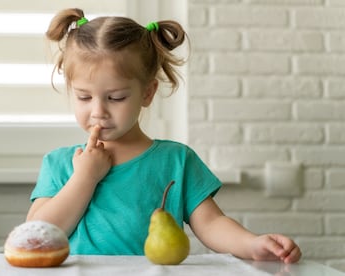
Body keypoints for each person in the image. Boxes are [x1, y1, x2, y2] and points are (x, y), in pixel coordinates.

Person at [26, 8, 302, 264]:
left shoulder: (177, 160)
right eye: (84, 97)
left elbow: (211, 224)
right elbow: (35, 238)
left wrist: (252, 244)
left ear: (147, 93)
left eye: (116, 97)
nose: (98, 111)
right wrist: (84, 177)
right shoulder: (60, 163)